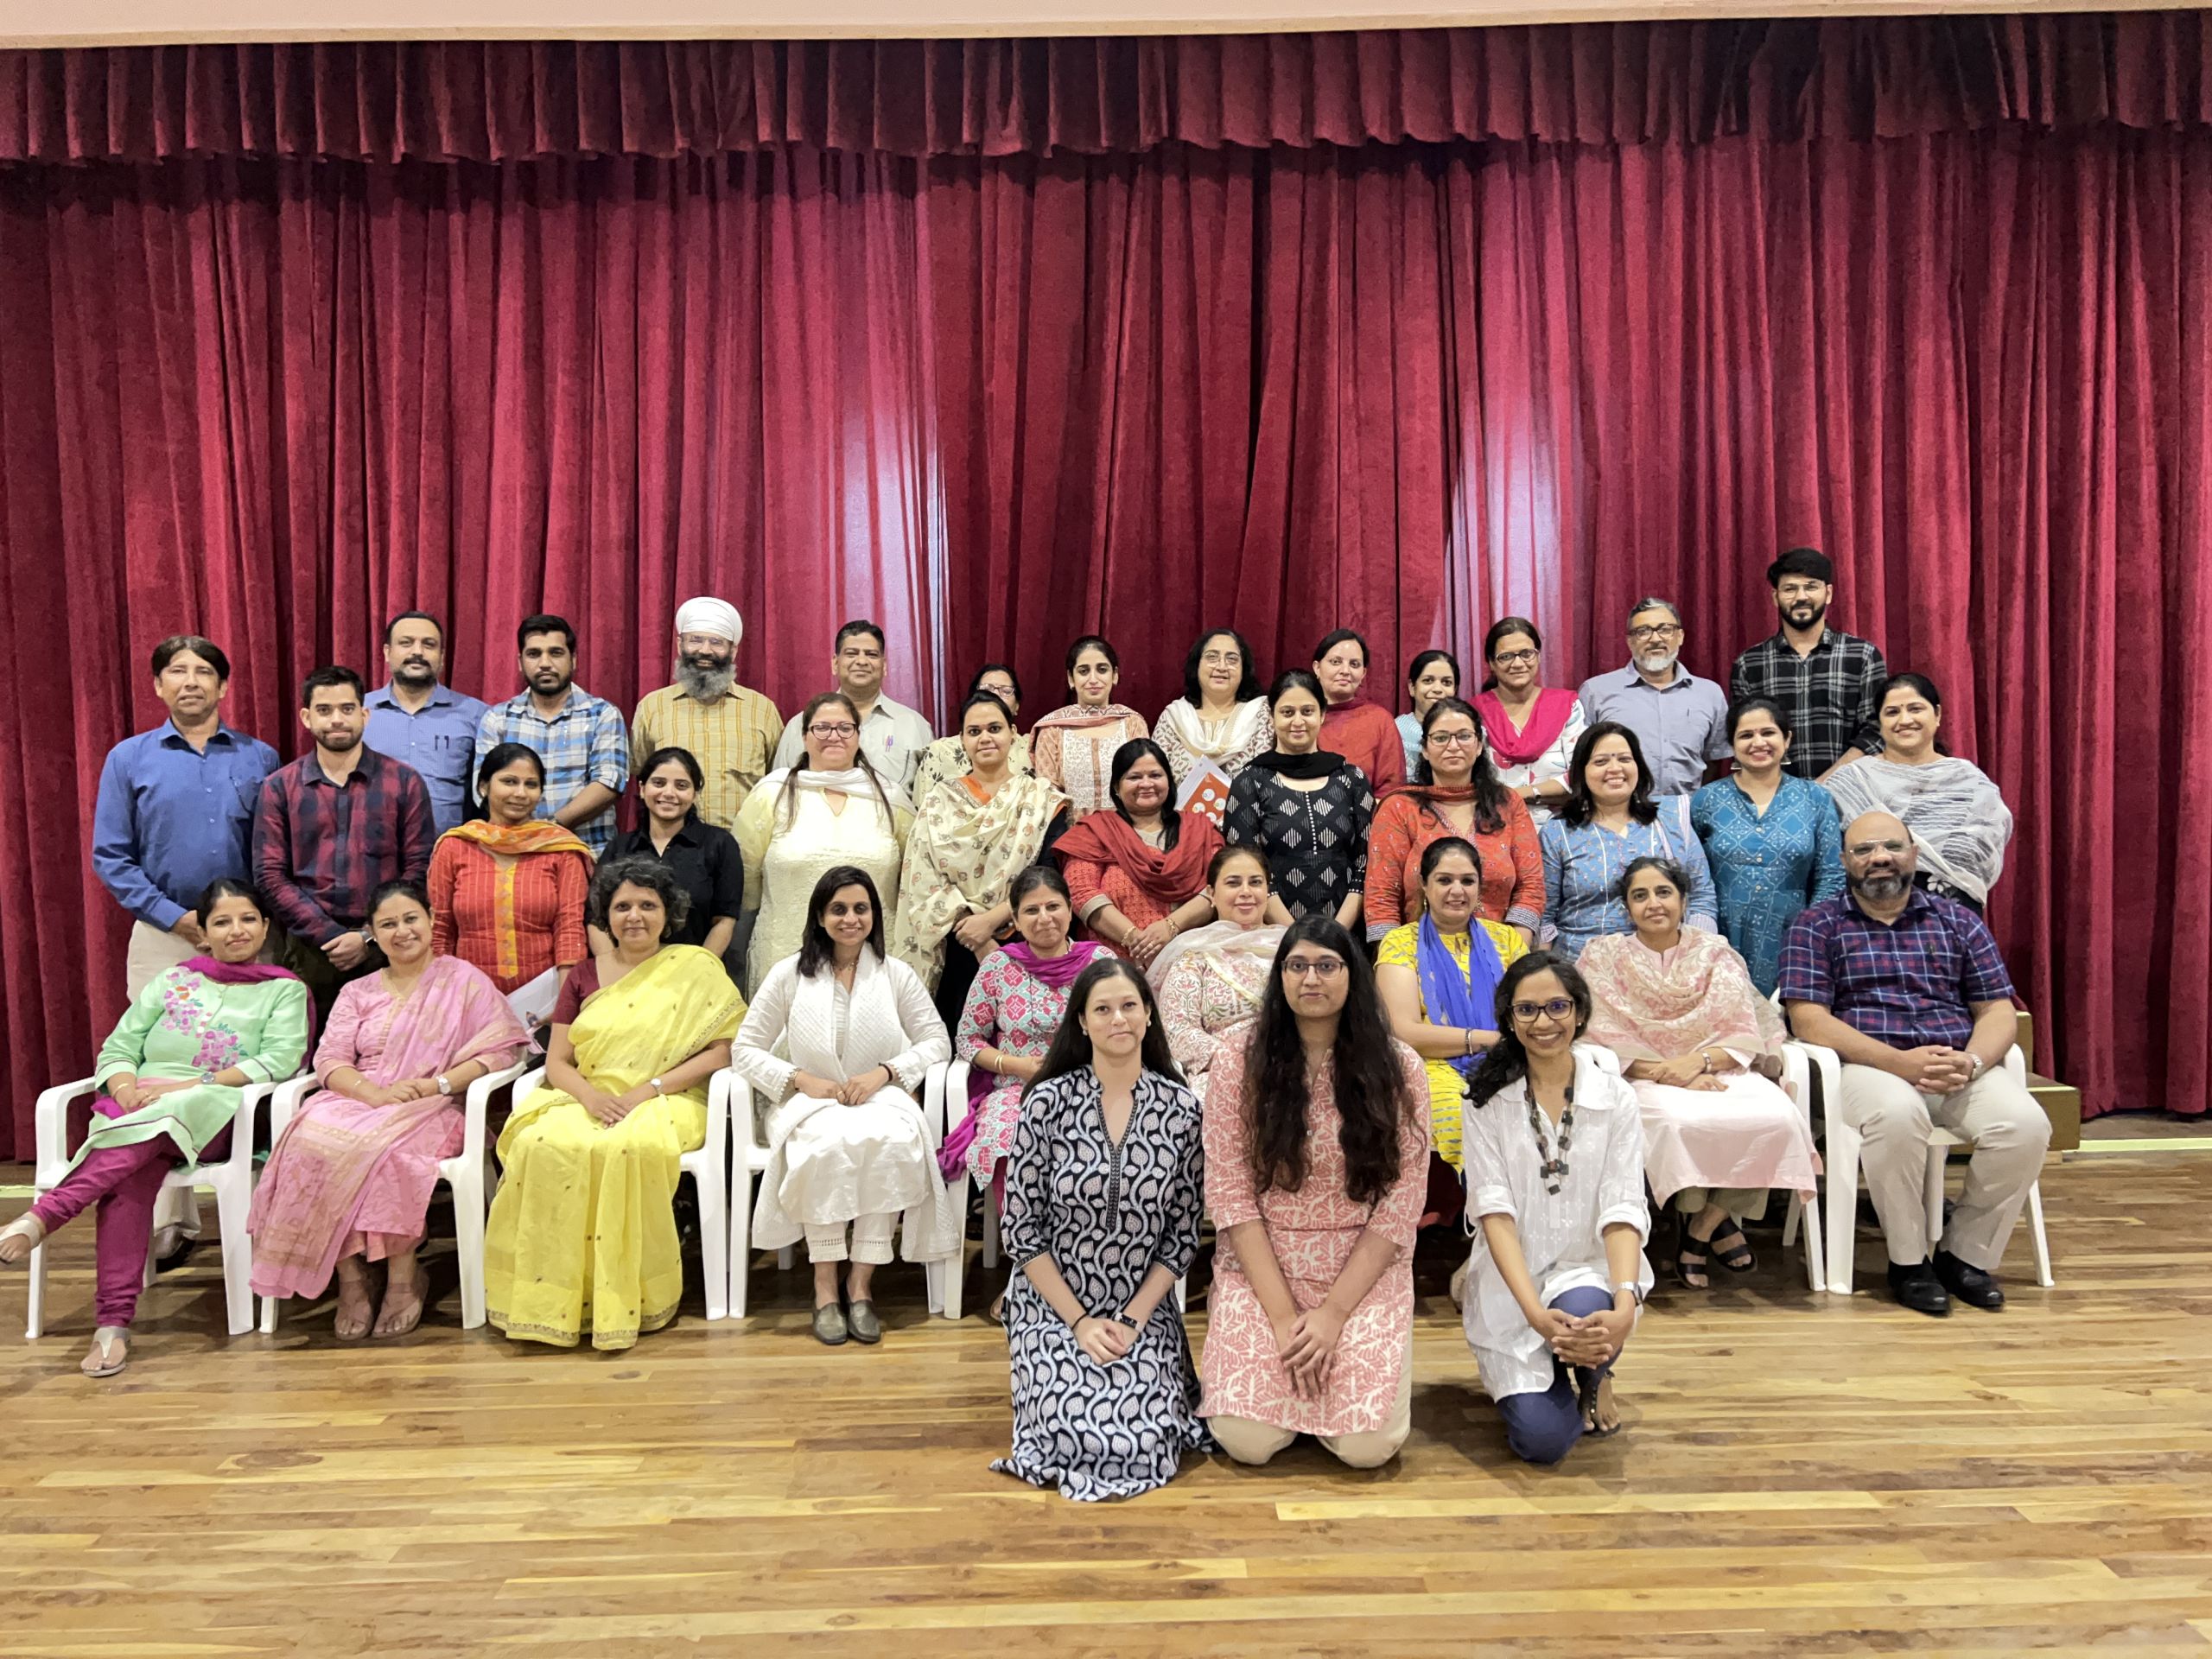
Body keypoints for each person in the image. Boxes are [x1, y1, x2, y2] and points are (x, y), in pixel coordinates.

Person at [0, 880, 309, 1378]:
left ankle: (46, 1216)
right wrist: (125, 1089)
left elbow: (279, 1060)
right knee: (129, 1175)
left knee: (147, 1131)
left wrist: (190, 1085)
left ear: (265, 926)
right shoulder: (171, 981)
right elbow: (120, 1047)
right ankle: (112, 1326)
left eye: (248, 919)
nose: (237, 930)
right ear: (203, 933)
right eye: (222, 922)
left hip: (216, 1111)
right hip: (138, 1108)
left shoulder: (283, 990)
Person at [1780, 811, 2049, 1316]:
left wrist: (1972, 1061)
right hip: (1867, 1068)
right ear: (1845, 862)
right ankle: (1907, 1262)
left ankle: (1964, 1255)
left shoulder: (1958, 921)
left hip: (1954, 1066)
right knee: (1898, 1115)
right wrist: (1898, 1063)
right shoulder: (1816, 925)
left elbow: (1996, 1009)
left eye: (1891, 847)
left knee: (2026, 1125)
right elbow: (1808, 1020)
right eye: (1864, 850)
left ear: (1914, 854)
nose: (1879, 858)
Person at [481, 857, 744, 1350]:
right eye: (622, 906)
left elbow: (723, 1051)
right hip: (589, 1095)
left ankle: (625, 1297)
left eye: (648, 905)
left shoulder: (695, 968)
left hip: (669, 1097)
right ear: (606, 914)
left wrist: (649, 1089)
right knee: (539, 1144)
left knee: (627, 1147)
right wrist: (591, 1097)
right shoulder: (583, 975)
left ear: (668, 912)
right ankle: (557, 1301)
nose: (635, 916)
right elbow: (558, 1061)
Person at [247, 880, 529, 1336]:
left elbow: (500, 1049)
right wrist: (372, 1095)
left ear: (432, 920)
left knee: (392, 1154)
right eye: (388, 924)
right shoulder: (357, 991)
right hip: (358, 1097)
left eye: (411, 919)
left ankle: (403, 1277)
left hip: (433, 1103)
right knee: (308, 1144)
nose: (402, 931)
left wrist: (436, 1084)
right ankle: (352, 1280)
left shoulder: (464, 981)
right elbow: (330, 1060)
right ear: (373, 934)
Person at [1198, 918, 1429, 1469]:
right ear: (1279, 976)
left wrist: (1332, 1316)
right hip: (1263, 1263)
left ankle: (1321, 1404)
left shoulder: (1400, 1067)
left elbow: (1400, 1204)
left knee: (1368, 1449)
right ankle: (1290, 1400)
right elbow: (1230, 1192)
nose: (1311, 979)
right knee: (1246, 1441)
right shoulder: (1237, 1058)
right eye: (1297, 965)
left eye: (1327, 965)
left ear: (1353, 976)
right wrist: (1283, 1319)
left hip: (1360, 1268)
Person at [92, 633, 280, 1263]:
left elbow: (272, 849)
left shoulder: (259, 757)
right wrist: (178, 919)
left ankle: (260, 1214)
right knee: (160, 1063)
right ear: (158, 685)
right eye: (177, 671)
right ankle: (173, 1221)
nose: (191, 681)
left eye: (204, 672)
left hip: (248, 933)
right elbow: (111, 856)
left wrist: (240, 922)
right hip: (162, 934)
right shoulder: (129, 759)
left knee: (255, 1064)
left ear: (224, 686)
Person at [993, 957, 1211, 1501]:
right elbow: (1021, 1230)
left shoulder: (1182, 1111)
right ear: (1082, 1022)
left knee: (1145, 1442)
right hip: (1054, 1304)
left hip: (1140, 1306)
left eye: (1130, 1006)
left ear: (1149, 1015)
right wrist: (1080, 1323)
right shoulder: (1045, 1103)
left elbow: (1182, 1236)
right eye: (1103, 1009)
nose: (1119, 1019)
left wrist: (1133, 1319)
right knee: (1074, 1434)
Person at [734, 868, 957, 1346]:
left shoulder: (896, 974)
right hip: (812, 1103)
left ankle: (860, 1284)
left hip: (881, 1097)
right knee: (826, 1147)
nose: (850, 919)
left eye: (861, 909)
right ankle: (824, 1285)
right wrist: (799, 1079)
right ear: (820, 916)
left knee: (891, 1142)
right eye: (839, 909)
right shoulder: (789, 973)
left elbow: (937, 1040)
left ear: (874, 916)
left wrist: (886, 1072)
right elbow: (744, 1049)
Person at [1579, 857, 1821, 1288]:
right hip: (1640, 1073)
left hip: (1721, 1065)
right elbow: (1598, 1031)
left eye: (1664, 892)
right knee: (1677, 1121)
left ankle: (1704, 1226)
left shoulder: (1714, 952)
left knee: (1777, 1118)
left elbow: (1740, 1024)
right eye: (1640, 895)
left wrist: (1699, 1063)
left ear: (1684, 900)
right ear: (1627, 908)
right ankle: (1704, 1219)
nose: (1654, 903)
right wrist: (1671, 1073)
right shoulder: (1603, 956)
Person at [1461, 954, 1652, 1463]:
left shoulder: (1616, 1097)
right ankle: (1560, 1370)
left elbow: (1622, 1207)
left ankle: (1596, 1374)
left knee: (1593, 1309)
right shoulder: (1484, 1100)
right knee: (1543, 1444)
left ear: (1580, 1012)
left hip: (1586, 1272)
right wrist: (1536, 1317)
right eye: (1527, 1010)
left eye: (1557, 1007)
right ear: (1508, 1019)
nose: (1543, 1022)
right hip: (1514, 1289)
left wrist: (1625, 1305)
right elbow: (1494, 1213)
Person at [255, 666, 435, 1018]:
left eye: (347, 709)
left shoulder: (404, 782)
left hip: (389, 945)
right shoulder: (279, 787)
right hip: (309, 950)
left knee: (390, 1045)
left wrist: (368, 935)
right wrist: (329, 934)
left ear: (364, 715)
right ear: (306, 717)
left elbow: (419, 867)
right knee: (310, 1046)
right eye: (324, 710)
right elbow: (269, 875)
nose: (337, 719)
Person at [891, 689, 1070, 1023]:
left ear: (1013, 734)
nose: (985, 738)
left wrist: (990, 923)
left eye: (994, 728)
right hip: (957, 944)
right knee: (960, 1040)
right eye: (974, 731)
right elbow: (923, 879)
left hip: (1028, 937)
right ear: (962, 740)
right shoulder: (939, 801)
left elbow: (1049, 874)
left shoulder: (1040, 799)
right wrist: (976, 939)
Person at [945, 866, 1108, 1223]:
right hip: (1016, 1090)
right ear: (1016, 921)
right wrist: (1015, 1065)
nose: (1044, 918)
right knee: (1009, 1136)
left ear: (1070, 911)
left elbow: (1124, 1030)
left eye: (1053, 907)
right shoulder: (998, 966)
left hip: (1093, 1086)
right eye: (1031, 910)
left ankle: (1085, 1243)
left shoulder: (1100, 964)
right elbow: (968, 1039)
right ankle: (1027, 1244)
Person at [735, 692, 912, 989]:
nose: (834, 736)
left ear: (858, 736)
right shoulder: (772, 793)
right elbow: (746, 876)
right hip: (785, 958)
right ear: (804, 736)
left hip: (873, 962)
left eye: (845, 728)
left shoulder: (890, 798)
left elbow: (914, 875)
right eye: (822, 728)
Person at [1376, 836, 1529, 1176]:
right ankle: (1484, 1203)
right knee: (1460, 1111)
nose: (1457, 891)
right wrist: (1488, 1040)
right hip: (1432, 1064)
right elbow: (1405, 1032)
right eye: (1444, 880)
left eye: (1467, 881)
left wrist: (1504, 1047)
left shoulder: (1507, 940)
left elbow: (1531, 1009)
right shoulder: (1400, 943)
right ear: (1424, 885)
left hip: (1509, 1059)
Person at [1691, 697, 1847, 997]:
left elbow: (1832, 876)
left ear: (1786, 739)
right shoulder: (1706, 800)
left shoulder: (1815, 798)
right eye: (1746, 735)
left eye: (1768, 732)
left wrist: (1810, 934)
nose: (1758, 742)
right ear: (1732, 744)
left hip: (1796, 939)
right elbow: (1692, 877)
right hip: (1720, 938)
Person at [1821, 673, 2013, 913]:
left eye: (1915, 709)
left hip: (1953, 919)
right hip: (1866, 918)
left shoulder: (1971, 783)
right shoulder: (1850, 783)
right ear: (1879, 722)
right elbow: (1828, 859)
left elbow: (1980, 856)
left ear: (1937, 714)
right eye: (1892, 712)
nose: (1904, 720)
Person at [1364, 697, 1542, 945]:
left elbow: (1531, 886)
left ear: (1479, 746)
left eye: (1464, 736)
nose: (1453, 746)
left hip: (1501, 953)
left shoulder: (1507, 804)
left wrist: (1513, 953)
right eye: (1441, 738)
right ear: (1425, 749)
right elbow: (1381, 896)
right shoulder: (1400, 807)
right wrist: (1396, 959)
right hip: (1418, 954)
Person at [1540, 722, 1716, 963]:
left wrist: (1696, 958)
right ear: (1582, 772)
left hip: (1668, 964)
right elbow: (1545, 915)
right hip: (1582, 967)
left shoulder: (1672, 818)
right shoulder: (1558, 832)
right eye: (1601, 762)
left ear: (1638, 766)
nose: (1615, 769)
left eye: (1624, 759)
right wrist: (1547, 971)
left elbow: (1701, 896)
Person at [427, 743, 593, 996]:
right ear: (483, 786)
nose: (521, 793)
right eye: (509, 781)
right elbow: (440, 930)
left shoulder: (561, 849)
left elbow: (570, 928)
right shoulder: (454, 846)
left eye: (531, 784)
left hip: (544, 999)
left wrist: (565, 1002)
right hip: (468, 997)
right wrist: (442, 997)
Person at [1223, 670, 1374, 927]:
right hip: (1273, 933)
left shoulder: (1352, 779)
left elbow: (1365, 865)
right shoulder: (1249, 782)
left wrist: (1335, 934)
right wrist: (1296, 937)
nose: (1298, 721)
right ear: (1271, 716)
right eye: (1287, 712)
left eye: (1307, 711)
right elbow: (1249, 870)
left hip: (1345, 933)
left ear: (1322, 714)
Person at [1057, 739, 1224, 969]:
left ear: (1169, 781)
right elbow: (1081, 891)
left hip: (1190, 965)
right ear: (1116, 787)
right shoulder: (1094, 831)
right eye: (1134, 777)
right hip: (1113, 966)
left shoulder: (1200, 830)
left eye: (1155, 775)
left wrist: (1171, 927)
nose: (1146, 784)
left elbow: (1220, 887)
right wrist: (1135, 939)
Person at [474, 614, 630, 857]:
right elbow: (483, 788)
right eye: (534, 654)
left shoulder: (602, 714)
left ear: (573, 659)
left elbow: (609, 782)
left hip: (587, 854)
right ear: (520, 662)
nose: (545, 663)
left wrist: (549, 829)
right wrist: (527, 835)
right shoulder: (498, 719)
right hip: (513, 854)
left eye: (556, 653)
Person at [1729, 547, 1888, 781]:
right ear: (1775, 597)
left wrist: (1824, 785)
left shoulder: (1863, 656)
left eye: (1811, 587)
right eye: (1790, 589)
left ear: (1828, 593)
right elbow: (1747, 738)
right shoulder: (1749, 664)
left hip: (1850, 790)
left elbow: (1876, 731)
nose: (1801, 597)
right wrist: (1789, 794)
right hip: (1774, 795)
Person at [627, 597, 784, 831]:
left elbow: (777, 781)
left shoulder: (762, 710)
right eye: (696, 640)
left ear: (733, 651)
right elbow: (642, 774)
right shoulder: (652, 707)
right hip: (672, 846)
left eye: (717, 642)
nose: (705, 651)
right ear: (680, 645)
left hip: (743, 847)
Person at [600, 747, 744, 970]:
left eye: (681, 786)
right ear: (641, 788)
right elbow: (596, 920)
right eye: (658, 783)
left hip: (696, 974)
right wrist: (614, 972)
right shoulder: (619, 848)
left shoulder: (719, 844)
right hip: (626, 975)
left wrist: (696, 972)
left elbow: (724, 920)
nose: (669, 793)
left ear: (695, 793)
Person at [1154, 846, 1287, 1085]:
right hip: (1218, 1076)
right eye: (1233, 883)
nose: (1246, 892)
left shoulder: (1292, 952)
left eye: (1255, 882)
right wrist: (1237, 1063)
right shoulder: (1194, 956)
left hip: (1290, 1070)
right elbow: (1177, 1030)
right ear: (1212, 894)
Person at [1577, 598, 1732, 800]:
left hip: (1687, 811)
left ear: (1680, 636)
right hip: (1618, 811)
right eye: (1643, 631)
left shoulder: (1710, 693)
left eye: (1665, 629)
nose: (1655, 639)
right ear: (1630, 641)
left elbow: (1715, 760)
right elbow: (1580, 759)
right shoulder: (1596, 691)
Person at [364, 611, 490, 835]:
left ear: (442, 656)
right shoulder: (359, 711)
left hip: (448, 850)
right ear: (387, 652)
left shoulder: (476, 715)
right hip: (372, 849)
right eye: (406, 643)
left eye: (428, 644)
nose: (417, 652)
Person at [772, 619, 935, 791]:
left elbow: (931, 796)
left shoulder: (914, 725)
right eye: (851, 654)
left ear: (884, 666)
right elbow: (778, 792)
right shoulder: (800, 725)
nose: (862, 661)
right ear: (835, 664)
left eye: (871, 655)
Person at [1153, 627, 1269, 827]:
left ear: (1244, 669)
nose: (1222, 666)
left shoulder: (1261, 715)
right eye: (1212, 657)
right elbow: (1154, 781)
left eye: (1232, 659)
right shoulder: (1174, 718)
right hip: (1181, 833)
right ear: (1197, 665)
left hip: (1248, 833)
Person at [1476, 616, 1586, 819]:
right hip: (1494, 824)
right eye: (1506, 657)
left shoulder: (1567, 707)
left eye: (1527, 654)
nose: (1518, 663)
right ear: (1491, 663)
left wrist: (1522, 794)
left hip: (1561, 825)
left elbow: (1581, 774)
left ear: (1538, 657)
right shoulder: (1474, 714)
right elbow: (1470, 781)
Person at [1029, 635, 1149, 821]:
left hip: (1125, 831)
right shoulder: (1052, 729)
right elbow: (1048, 796)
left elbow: (1143, 785)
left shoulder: (1132, 723)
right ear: (1071, 678)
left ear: (1115, 675)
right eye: (1084, 671)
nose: (1093, 679)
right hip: (1069, 834)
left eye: (1102, 670)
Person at [914, 664, 1034, 798]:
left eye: (1006, 691)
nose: (994, 695)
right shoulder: (939, 751)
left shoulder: (1034, 748)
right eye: (986, 689)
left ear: (1017, 706)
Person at [1311, 628, 1407, 795]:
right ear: (1317, 668)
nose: (1345, 671)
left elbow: (1391, 790)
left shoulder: (1379, 720)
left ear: (1363, 674)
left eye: (1354, 664)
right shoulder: (1301, 716)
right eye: (1335, 662)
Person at [1395, 649, 1460, 780]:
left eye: (1446, 682)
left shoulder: (1469, 733)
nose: (1437, 689)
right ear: (1412, 687)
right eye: (1428, 681)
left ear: (1455, 690)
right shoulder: (1394, 732)